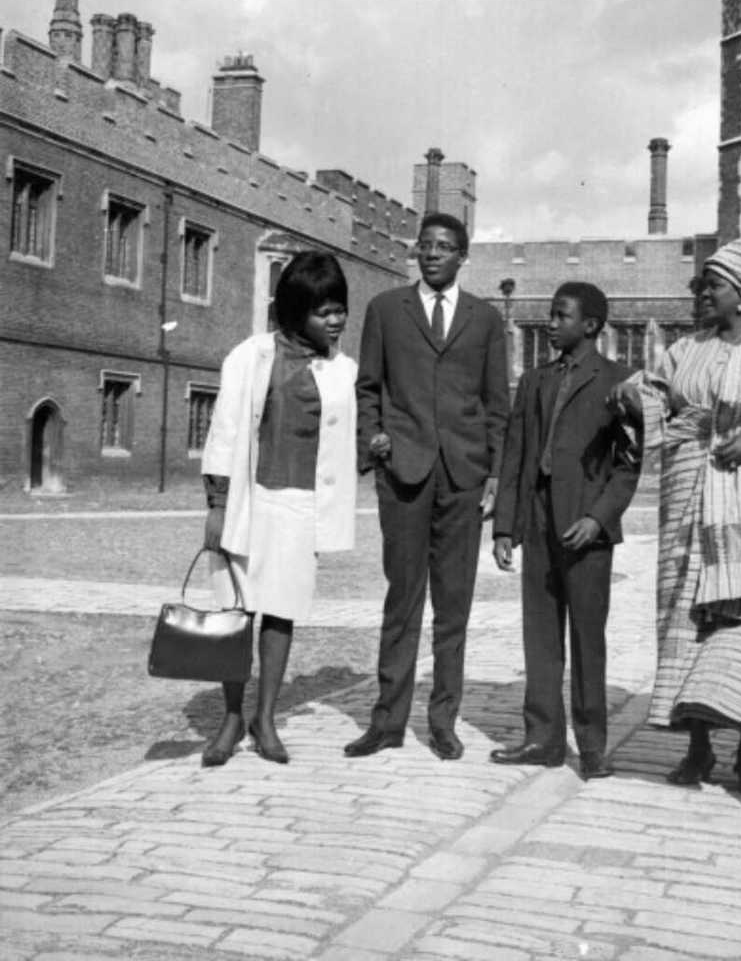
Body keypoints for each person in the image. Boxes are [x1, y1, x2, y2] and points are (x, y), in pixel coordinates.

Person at [611, 238, 741, 794]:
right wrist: (630, 398)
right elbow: (653, 399)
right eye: (701, 284)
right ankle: (698, 749)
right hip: (685, 498)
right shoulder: (683, 350)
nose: (702, 292)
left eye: (714, 284)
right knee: (686, 623)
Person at [346, 213, 509, 762]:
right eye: (426, 246)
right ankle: (387, 721)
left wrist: (492, 474)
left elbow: (495, 407)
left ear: (464, 256)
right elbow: (367, 387)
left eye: (445, 247)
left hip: (462, 478)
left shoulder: (485, 320)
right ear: (415, 252)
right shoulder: (387, 311)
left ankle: (443, 721)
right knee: (403, 598)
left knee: (454, 605)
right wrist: (374, 439)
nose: (433, 253)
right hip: (404, 477)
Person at [200, 251, 357, 767]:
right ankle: (230, 718)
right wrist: (218, 506)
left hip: (300, 505)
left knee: (281, 611)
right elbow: (224, 433)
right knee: (234, 611)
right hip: (249, 499)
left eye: (340, 310)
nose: (334, 321)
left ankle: (265, 719)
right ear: (294, 311)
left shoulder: (344, 372)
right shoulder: (249, 356)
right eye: (323, 311)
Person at [489, 282, 641, 780]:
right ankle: (542, 738)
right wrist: (506, 527)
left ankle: (592, 746)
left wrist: (598, 518)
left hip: (586, 532)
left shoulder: (619, 382)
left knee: (587, 639)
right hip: (538, 526)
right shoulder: (535, 382)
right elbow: (515, 456)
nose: (550, 323)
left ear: (591, 325)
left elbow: (628, 465)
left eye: (560, 316)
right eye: (550, 316)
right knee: (540, 635)